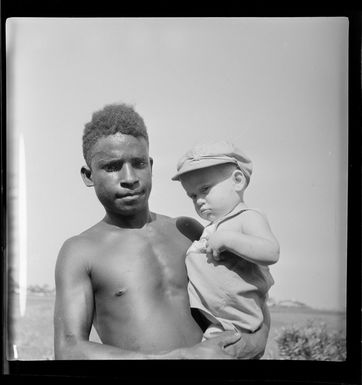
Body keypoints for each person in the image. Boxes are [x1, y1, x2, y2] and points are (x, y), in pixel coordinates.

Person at [53, 103, 270, 359]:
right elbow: (68, 349)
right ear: (88, 175)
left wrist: (249, 343)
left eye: (139, 163)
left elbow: (251, 294)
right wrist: (178, 358)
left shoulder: (188, 230)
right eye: (112, 167)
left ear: (151, 166)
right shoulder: (80, 251)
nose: (129, 177)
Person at [172, 141, 279, 341]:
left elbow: (271, 252)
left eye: (205, 189)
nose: (199, 200)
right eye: (192, 196)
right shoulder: (212, 228)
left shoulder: (247, 217)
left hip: (241, 322)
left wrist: (229, 239)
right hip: (218, 322)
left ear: (238, 181)